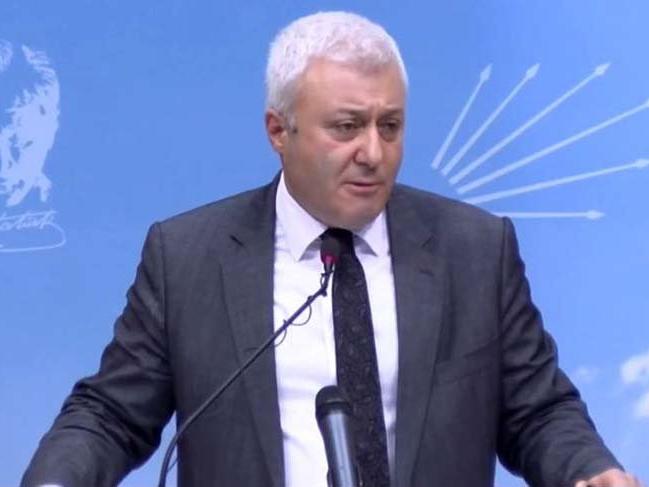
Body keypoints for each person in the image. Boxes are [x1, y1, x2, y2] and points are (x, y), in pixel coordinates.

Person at [22, 11, 641, 487]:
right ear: (278, 130)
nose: (373, 152)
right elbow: (112, 414)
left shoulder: (476, 251)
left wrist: (589, 470)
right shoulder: (187, 258)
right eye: (347, 127)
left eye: (390, 126)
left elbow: (538, 410)